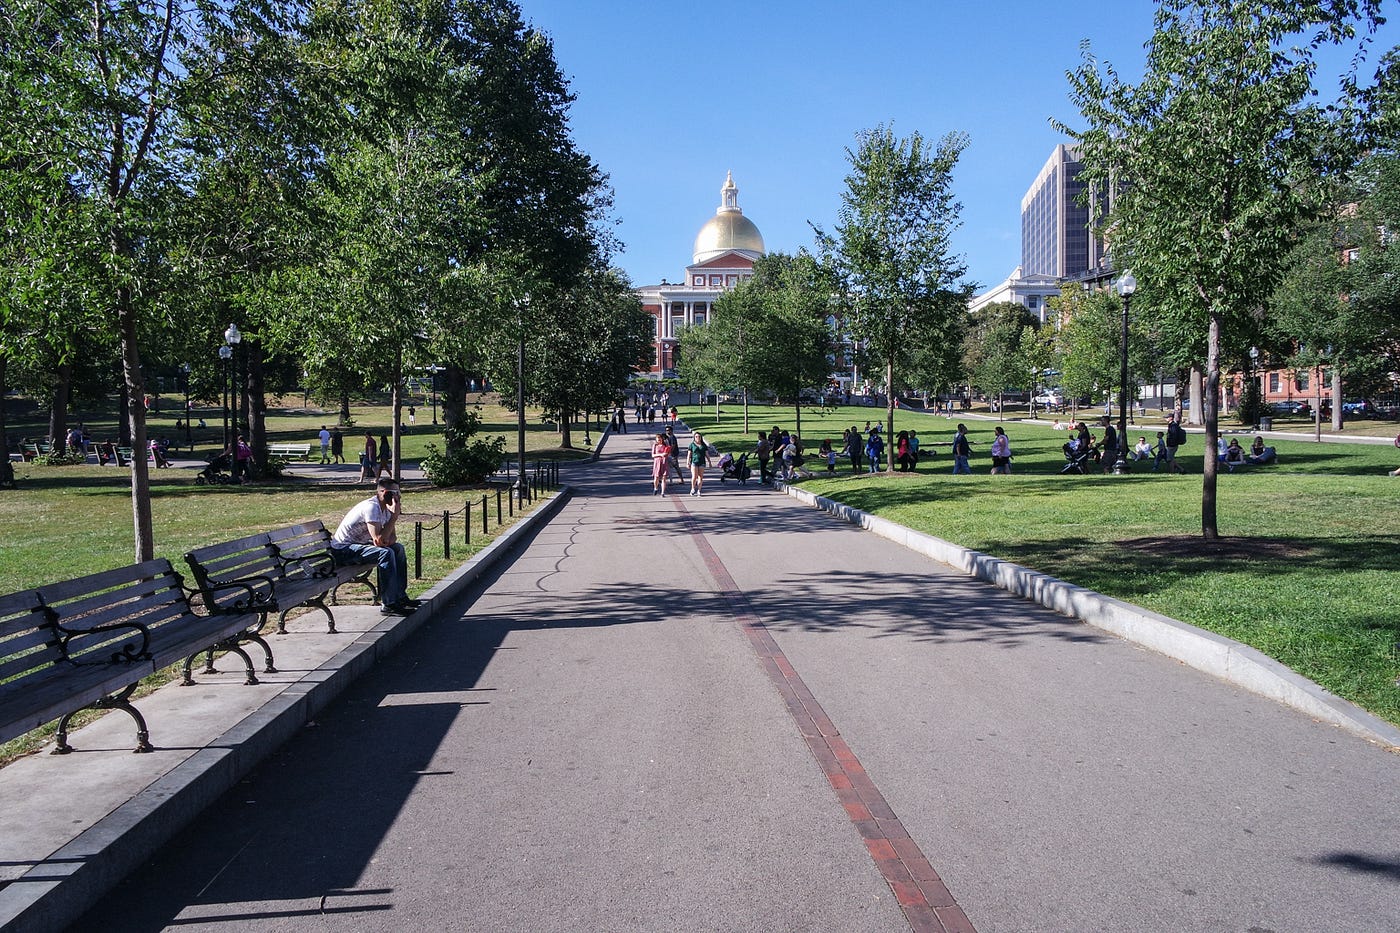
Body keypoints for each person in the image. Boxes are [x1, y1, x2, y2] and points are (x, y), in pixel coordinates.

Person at [330, 478, 418, 616]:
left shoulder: (387, 508)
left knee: (398, 549)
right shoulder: (372, 507)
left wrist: (391, 517)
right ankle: (388, 604)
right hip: (343, 550)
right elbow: (379, 541)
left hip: (360, 546)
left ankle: (400, 596)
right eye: (395, 493)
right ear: (384, 492)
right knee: (386, 553)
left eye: (399, 492)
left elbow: (391, 540)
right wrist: (394, 517)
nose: (398, 496)